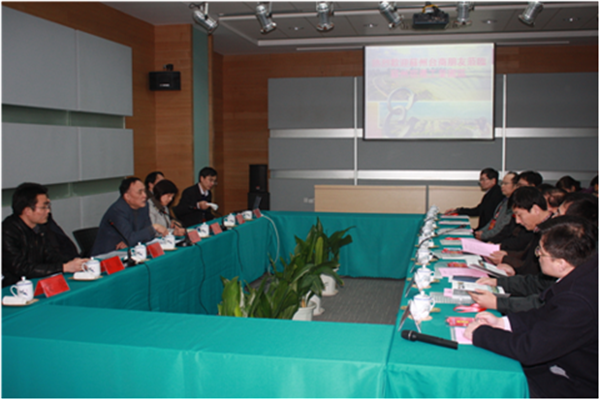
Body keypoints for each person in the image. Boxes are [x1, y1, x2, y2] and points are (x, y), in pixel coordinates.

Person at [465, 216, 598, 398]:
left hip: (576, 383)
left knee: (485, 380)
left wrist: (481, 334)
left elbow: (530, 350)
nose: (538, 257)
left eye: (541, 253)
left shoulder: (577, 300)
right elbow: (545, 314)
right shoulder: (583, 273)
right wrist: (503, 322)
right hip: (564, 362)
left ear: (561, 263)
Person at [2, 183, 88, 287]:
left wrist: (74, 262)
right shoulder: (7, 232)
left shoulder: (40, 227)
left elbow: (50, 255)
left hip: (38, 281)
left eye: (48, 206)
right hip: (15, 287)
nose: (48, 211)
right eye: (44, 207)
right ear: (27, 211)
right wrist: (64, 267)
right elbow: (21, 268)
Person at [91, 177, 169, 256]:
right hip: (107, 256)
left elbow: (146, 235)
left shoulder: (144, 206)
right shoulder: (118, 210)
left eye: (144, 191)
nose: (145, 195)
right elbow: (132, 238)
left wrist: (132, 240)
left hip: (131, 251)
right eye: (140, 192)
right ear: (127, 196)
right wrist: (154, 228)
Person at [486, 187, 553, 276]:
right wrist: (507, 254)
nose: (517, 221)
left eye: (519, 215)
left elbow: (533, 271)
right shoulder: (538, 228)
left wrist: (507, 260)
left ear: (535, 210)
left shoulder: (552, 232)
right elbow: (527, 256)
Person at [474, 172, 518, 241]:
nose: (502, 186)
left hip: (497, 240)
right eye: (502, 183)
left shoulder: (514, 204)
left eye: (506, 183)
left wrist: (484, 235)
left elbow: (502, 227)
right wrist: (481, 232)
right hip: (489, 235)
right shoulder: (504, 201)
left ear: (516, 186)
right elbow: (493, 220)